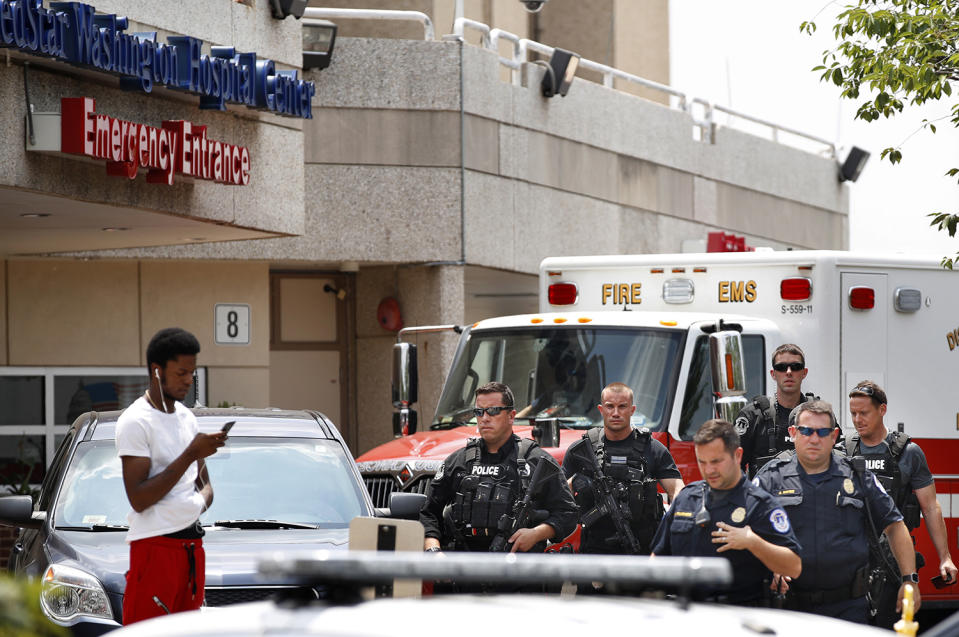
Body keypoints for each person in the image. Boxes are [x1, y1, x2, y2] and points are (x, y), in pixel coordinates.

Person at [754, 400, 919, 624]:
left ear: (834, 436)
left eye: (822, 432)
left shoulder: (859, 477)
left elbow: (895, 526)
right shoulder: (770, 478)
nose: (814, 439)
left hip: (848, 608)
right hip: (788, 607)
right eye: (806, 431)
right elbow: (745, 531)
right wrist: (767, 567)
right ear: (793, 433)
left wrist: (909, 580)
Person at [115, 328, 226, 624]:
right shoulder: (135, 421)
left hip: (192, 548)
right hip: (154, 548)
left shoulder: (187, 418)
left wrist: (195, 505)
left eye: (192, 372)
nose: (189, 380)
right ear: (157, 371)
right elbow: (138, 498)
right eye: (181, 373)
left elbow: (206, 485)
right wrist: (190, 453)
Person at [650, 419, 801, 605]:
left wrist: (753, 542)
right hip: (686, 612)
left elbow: (793, 566)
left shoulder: (760, 505)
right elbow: (657, 558)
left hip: (737, 615)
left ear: (737, 456)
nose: (709, 470)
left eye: (716, 461)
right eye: (702, 462)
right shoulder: (686, 499)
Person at [845, 381, 956, 629]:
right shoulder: (844, 450)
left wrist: (945, 557)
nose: (857, 419)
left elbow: (930, 507)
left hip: (894, 563)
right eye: (853, 413)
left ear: (882, 410)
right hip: (853, 562)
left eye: (864, 413)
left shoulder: (908, 452)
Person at [420, 382, 577, 554]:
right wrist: (433, 549)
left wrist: (535, 534)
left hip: (518, 571)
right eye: (479, 412)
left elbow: (567, 513)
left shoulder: (536, 461)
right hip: (463, 569)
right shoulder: (458, 461)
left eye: (493, 411)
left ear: (511, 416)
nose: (485, 418)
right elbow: (429, 513)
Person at [563, 382, 684, 555]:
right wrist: (575, 482)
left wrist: (675, 524)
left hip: (642, 548)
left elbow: (677, 489)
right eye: (610, 407)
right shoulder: (583, 449)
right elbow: (558, 494)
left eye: (622, 407)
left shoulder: (653, 448)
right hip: (594, 549)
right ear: (601, 409)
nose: (616, 413)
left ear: (632, 410)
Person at [736, 344, 817, 478]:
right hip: (765, 496)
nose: (789, 372)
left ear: (804, 373)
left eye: (796, 367)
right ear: (773, 374)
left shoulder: (820, 415)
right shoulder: (753, 415)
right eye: (781, 367)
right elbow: (734, 465)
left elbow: (837, 459)